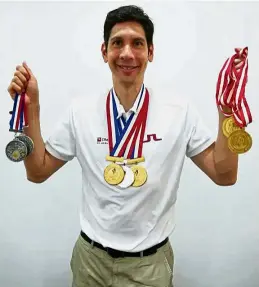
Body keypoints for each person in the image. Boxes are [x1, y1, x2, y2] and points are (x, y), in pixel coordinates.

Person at [7, 5, 239, 287]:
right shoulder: (80, 112)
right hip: (90, 262)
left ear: (150, 52)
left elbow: (224, 175)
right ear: (104, 51)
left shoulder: (179, 111)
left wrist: (228, 112)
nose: (127, 53)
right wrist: (31, 108)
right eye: (118, 43)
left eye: (137, 43)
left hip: (150, 266)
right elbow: (37, 171)